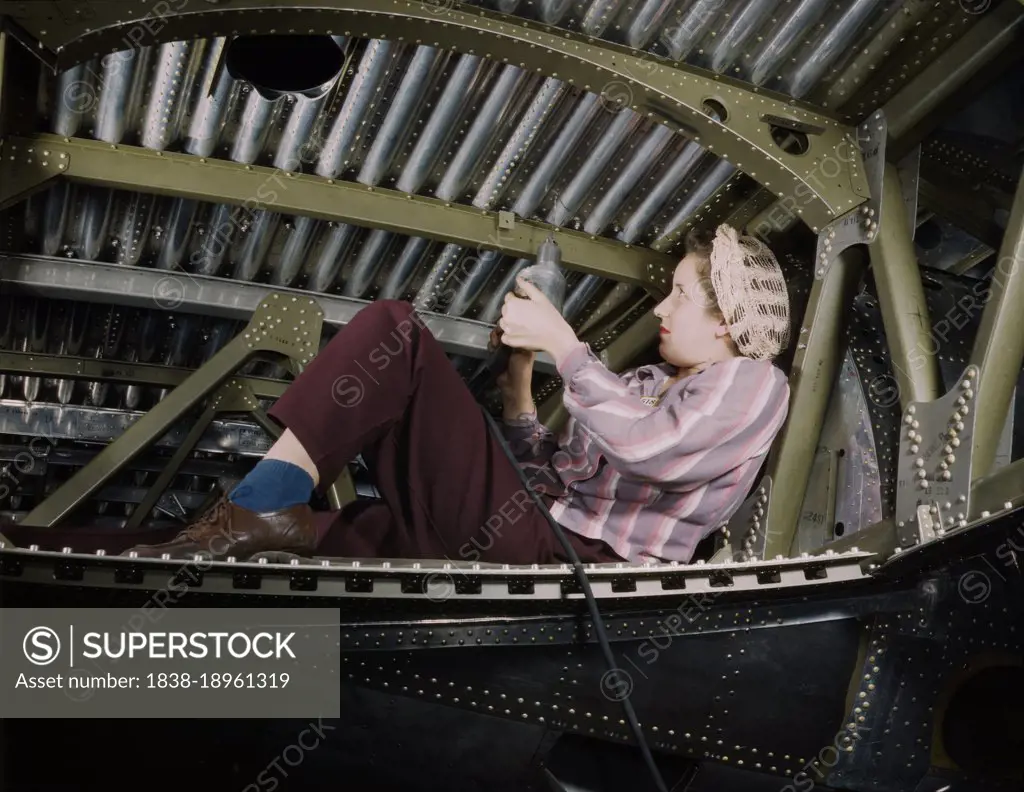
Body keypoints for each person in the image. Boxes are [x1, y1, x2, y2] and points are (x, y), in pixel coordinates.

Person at [125, 223, 792, 566]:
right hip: (534, 534)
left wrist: (564, 344)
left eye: (679, 294)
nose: (660, 309)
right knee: (342, 533)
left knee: (398, 332)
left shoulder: (752, 381)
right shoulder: (646, 384)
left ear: (729, 318)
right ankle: (126, 553)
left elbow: (655, 450)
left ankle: (258, 506)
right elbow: (548, 479)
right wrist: (521, 389)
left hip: (579, 566)